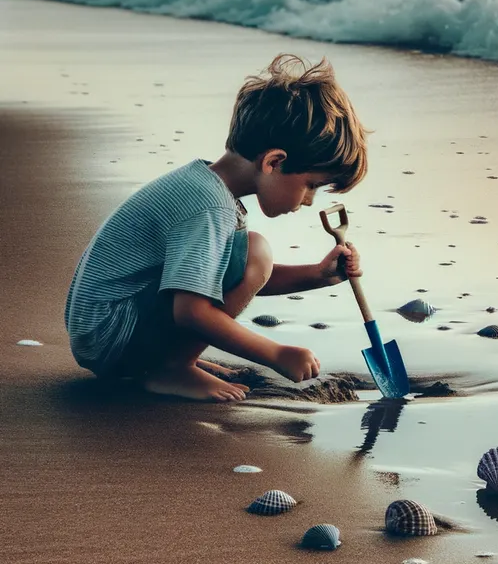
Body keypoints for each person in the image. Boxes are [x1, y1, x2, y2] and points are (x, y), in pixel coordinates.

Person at [64, 54, 368, 402]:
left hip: (106, 329)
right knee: (257, 251)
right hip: (111, 334)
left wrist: (317, 274)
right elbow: (191, 311)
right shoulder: (209, 208)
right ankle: (173, 367)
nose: (310, 200)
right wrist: (275, 354)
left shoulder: (205, 187)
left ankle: (173, 361)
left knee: (253, 253)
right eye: (312, 184)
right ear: (274, 161)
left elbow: (220, 277)